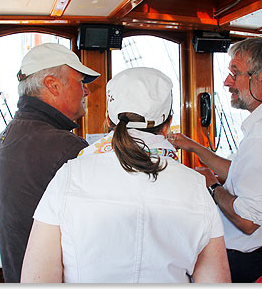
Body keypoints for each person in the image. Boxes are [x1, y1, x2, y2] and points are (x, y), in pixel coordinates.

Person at [21, 67, 231, 283]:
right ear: (167, 124)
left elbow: (37, 279)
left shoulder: (69, 176)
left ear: (108, 118)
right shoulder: (196, 186)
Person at [168, 38, 262, 283]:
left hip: (252, 263)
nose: (227, 82)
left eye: (234, 73)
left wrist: (211, 186)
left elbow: (248, 220)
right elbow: (242, 174)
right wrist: (193, 147)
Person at [0, 43, 100, 283]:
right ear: (52, 84)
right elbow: (97, 237)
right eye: (80, 82)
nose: (86, 92)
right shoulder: (66, 148)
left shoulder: (5, 137)